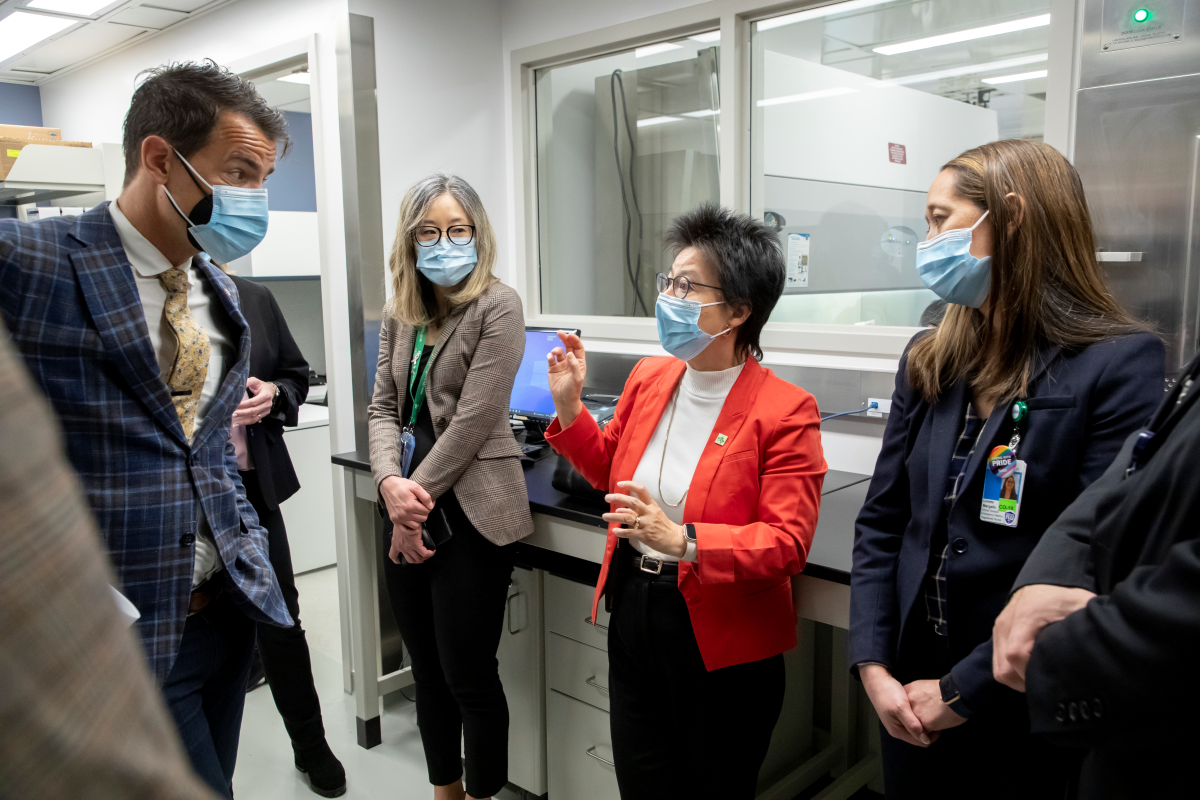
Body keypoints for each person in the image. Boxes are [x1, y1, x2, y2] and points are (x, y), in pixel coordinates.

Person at [0, 61, 293, 798]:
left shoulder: (219, 289)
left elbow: (206, 449)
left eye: (263, 180)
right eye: (239, 172)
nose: (253, 199)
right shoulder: (27, 260)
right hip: (112, 634)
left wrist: (245, 547)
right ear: (159, 157)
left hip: (226, 613)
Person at [849, 139, 1164, 799]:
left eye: (941, 219)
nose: (927, 238)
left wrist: (961, 693)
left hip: (1016, 696)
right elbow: (884, 521)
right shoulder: (930, 356)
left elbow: (1098, 561)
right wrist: (874, 665)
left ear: (1010, 217)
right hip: (907, 684)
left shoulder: (1117, 364)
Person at [544, 203, 827, 799]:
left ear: (740, 310)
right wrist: (569, 407)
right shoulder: (651, 376)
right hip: (635, 606)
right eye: (668, 281)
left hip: (720, 632)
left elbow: (787, 542)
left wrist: (686, 539)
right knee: (643, 786)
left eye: (687, 286)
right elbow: (607, 470)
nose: (670, 296)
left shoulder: (786, 410)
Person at [0, 322, 219, 800]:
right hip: (142, 619)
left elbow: (214, 456)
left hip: (224, 605)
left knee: (222, 770)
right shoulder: (38, 282)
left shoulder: (217, 300)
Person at [368, 173, 531, 800]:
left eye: (457, 229)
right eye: (429, 232)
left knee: (468, 674)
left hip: (473, 512)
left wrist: (410, 502)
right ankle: (446, 791)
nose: (444, 242)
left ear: (478, 233)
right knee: (426, 672)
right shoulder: (400, 310)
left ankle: (485, 793)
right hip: (406, 501)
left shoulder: (499, 305)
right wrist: (388, 481)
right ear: (410, 241)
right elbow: (384, 407)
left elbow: (474, 419)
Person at [992, 356, 1200, 798]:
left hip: (1147, 734)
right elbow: (1136, 459)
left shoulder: (1116, 360)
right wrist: (1045, 579)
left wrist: (1050, 649)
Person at [226, 273, 346, 797]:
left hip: (253, 490)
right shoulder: (139, 298)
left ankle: (311, 746)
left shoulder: (254, 297)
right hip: (179, 495)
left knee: (282, 621)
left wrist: (274, 393)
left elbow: (297, 376)